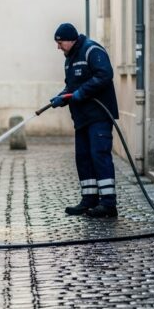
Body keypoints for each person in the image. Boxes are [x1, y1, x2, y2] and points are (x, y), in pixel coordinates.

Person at [49, 23, 119, 218]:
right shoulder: (69, 60)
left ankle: (108, 204)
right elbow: (71, 87)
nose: (58, 47)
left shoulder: (92, 51)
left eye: (60, 42)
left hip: (98, 116)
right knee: (83, 157)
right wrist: (62, 97)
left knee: (99, 155)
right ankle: (89, 200)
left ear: (71, 40)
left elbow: (105, 75)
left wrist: (80, 93)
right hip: (81, 118)